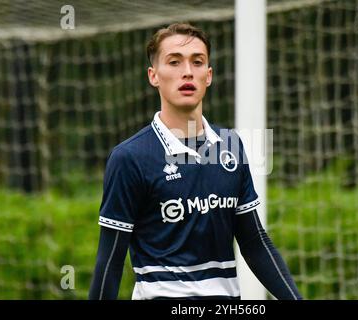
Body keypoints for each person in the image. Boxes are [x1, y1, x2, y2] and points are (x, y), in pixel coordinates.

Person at [88, 23, 302, 300]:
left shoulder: (231, 147)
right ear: (153, 76)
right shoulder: (130, 158)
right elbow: (110, 261)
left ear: (209, 75)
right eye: (174, 62)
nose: (187, 71)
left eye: (197, 62)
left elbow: (254, 243)